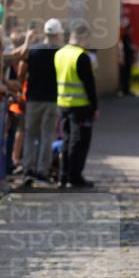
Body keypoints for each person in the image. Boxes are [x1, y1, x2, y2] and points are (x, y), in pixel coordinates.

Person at [54, 22, 98, 189]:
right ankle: (75, 177)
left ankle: (63, 176)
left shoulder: (60, 54)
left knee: (66, 140)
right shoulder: (81, 56)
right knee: (79, 142)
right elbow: (89, 85)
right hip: (80, 106)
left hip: (63, 104)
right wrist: (94, 107)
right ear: (83, 37)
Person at [22, 17, 61, 185]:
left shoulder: (34, 50)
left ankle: (28, 169)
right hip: (52, 99)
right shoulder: (60, 53)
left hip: (34, 99)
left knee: (30, 135)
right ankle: (42, 171)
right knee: (47, 136)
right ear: (58, 34)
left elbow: (22, 70)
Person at [119, 24, 134, 96]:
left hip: (129, 59)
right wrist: (132, 48)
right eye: (130, 29)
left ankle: (127, 89)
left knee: (128, 75)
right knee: (125, 74)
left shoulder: (129, 37)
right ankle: (125, 90)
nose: (131, 31)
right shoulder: (125, 37)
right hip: (126, 59)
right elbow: (127, 48)